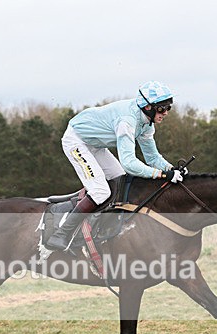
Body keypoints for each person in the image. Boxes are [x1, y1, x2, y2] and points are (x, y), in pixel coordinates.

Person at [45, 81, 186, 251]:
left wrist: (171, 169)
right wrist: (162, 175)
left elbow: (152, 157)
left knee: (120, 180)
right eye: (163, 108)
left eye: (169, 107)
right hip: (76, 141)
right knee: (101, 191)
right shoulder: (127, 121)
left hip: (94, 144)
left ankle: (99, 225)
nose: (166, 112)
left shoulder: (146, 124)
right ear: (148, 107)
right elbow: (129, 164)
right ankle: (62, 234)